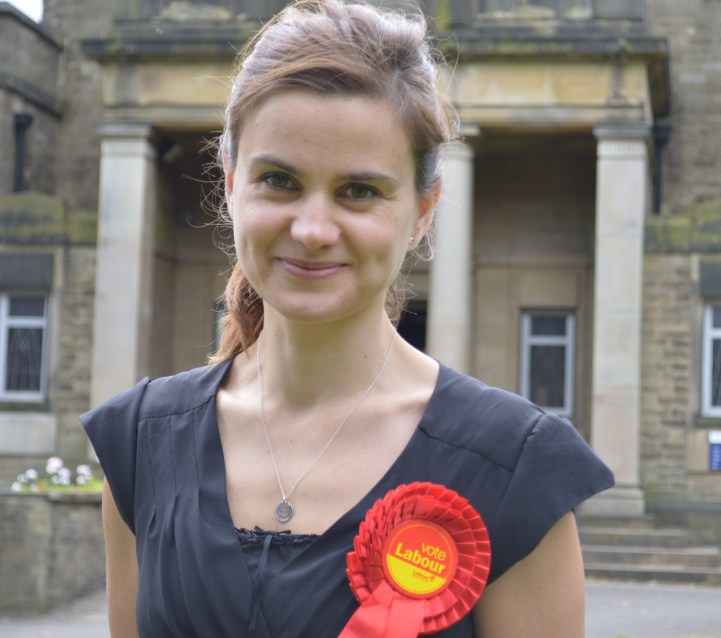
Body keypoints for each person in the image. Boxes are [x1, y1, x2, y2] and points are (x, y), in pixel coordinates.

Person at [82, 1, 613, 636]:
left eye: (359, 190)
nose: (311, 229)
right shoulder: (140, 443)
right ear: (229, 185)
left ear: (422, 211)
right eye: (278, 180)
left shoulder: (515, 469)